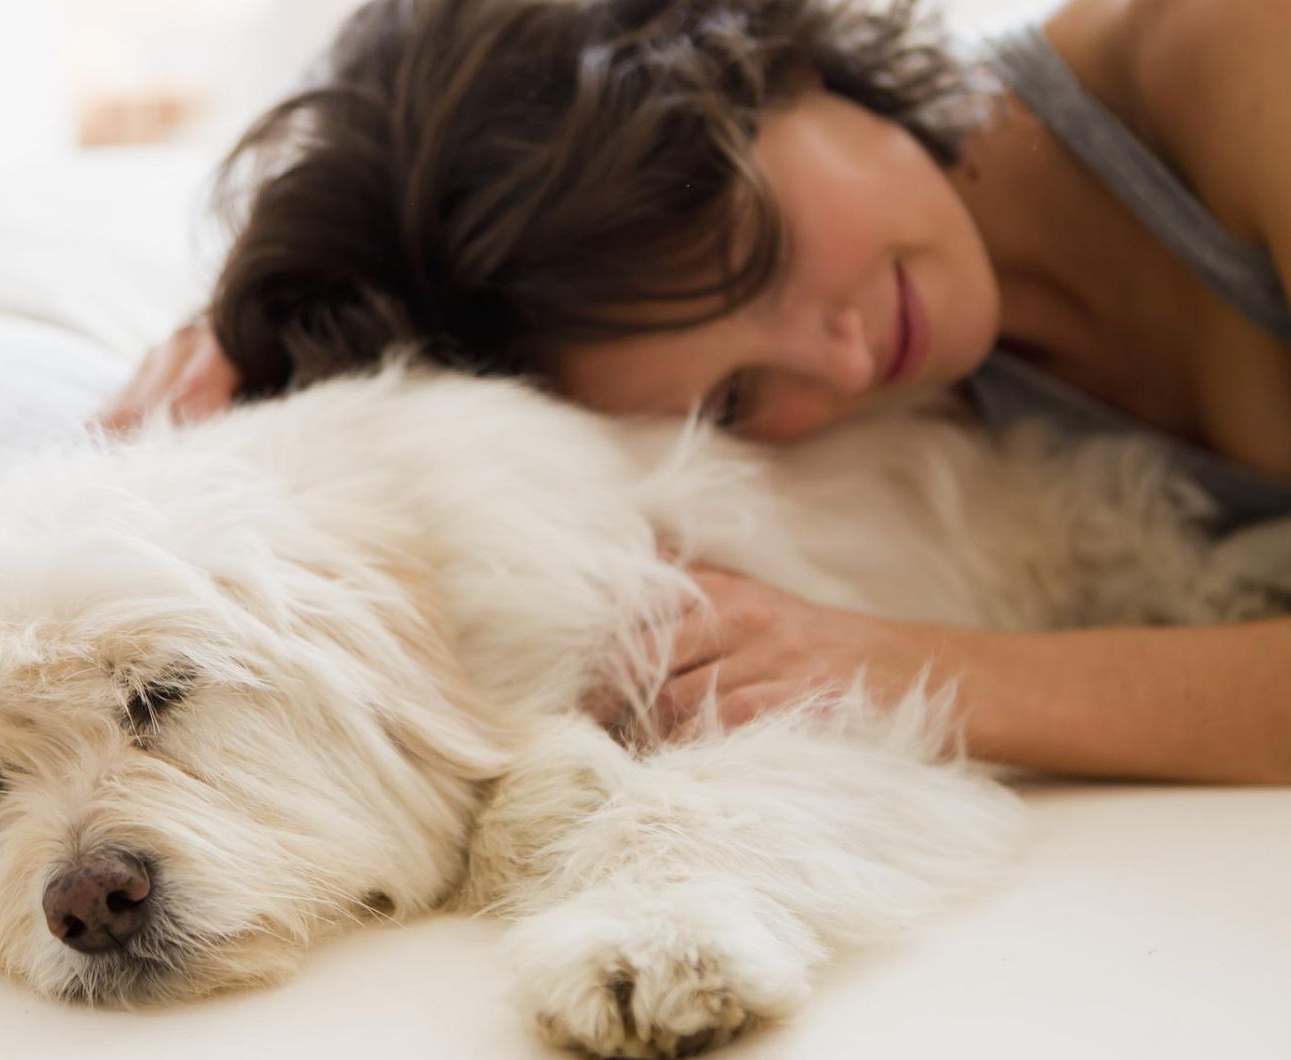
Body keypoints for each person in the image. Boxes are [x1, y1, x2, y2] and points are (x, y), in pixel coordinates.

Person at [97, 0, 1291, 784]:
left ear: (757, 53)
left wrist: (914, 668)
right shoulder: (929, 395)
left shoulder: (1234, 54)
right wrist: (246, 365)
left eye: (758, 252)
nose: (833, 361)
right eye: (730, 397)